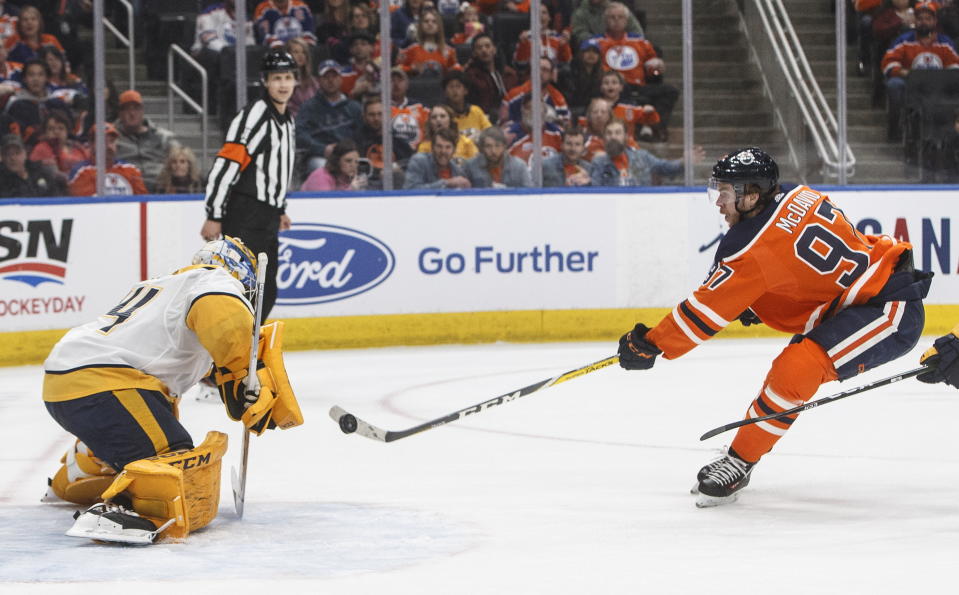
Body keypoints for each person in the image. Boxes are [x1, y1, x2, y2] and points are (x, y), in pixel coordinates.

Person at [615, 147, 933, 507]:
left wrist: (652, 344)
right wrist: (755, 300)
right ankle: (744, 450)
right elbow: (804, 274)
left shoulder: (750, 248)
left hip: (889, 312)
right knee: (788, 360)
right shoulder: (799, 194)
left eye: (726, 192)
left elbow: (702, 314)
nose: (718, 201)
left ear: (751, 196)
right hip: (865, 295)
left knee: (795, 370)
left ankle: (740, 460)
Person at [43, 236, 303, 544]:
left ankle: (89, 464)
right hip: (104, 381)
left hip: (74, 381)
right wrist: (242, 376)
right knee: (175, 465)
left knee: (164, 436)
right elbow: (222, 316)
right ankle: (122, 511)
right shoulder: (214, 280)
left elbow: (159, 385)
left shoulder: (167, 285)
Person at [201, 49, 297, 319]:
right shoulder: (256, 116)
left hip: (266, 214)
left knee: (266, 291)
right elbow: (227, 164)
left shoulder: (287, 119)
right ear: (265, 81)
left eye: (288, 77)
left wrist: (279, 208)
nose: (283, 84)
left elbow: (277, 171)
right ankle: (230, 355)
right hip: (245, 213)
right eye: (277, 77)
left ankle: (242, 354)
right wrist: (214, 214)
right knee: (245, 290)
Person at [881, 2, 959, 140]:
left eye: (928, 19)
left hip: (938, 88)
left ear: (935, 21)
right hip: (911, 85)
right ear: (914, 21)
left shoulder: (945, 43)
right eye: (920, 19)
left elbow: (955, 67)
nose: (924, 22)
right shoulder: (903, 41)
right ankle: (895, 130)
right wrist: (905, 73)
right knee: (894, 84)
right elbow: (888, 63)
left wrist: (944, 78)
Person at [295, 60, 362, 173]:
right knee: (321, 167)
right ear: (319, 81)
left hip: (350, 155)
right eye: (326, 77)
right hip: (321, 157)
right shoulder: (308, 107)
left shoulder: (354, 107)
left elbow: (361, 135)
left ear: (341, 79)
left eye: (334, 76)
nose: (331, 81)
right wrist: (322, 149)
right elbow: (300, 134)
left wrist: (349, 151)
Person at [589, 118, 698, 185]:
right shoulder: (598, 162)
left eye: (617, 133)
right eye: (609, 133)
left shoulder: (642, 157)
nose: (613, 136)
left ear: (626, 136)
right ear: (604, 138)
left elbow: (664, 167)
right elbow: (595, 193)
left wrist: (683, 162)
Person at [113, 89, 179, 192]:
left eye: (136, 109)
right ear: (120, 113)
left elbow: (182, 158)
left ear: (142, 111)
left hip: (160, 188)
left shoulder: (162, 137)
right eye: (127, 109)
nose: (132, 113)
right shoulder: (112, 137)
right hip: (126, 189)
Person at [68, 122, 148, 196]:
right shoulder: (82, 172)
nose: (109, 146)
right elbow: (82, 206)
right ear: (91, 144)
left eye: (112, 141)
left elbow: (144, 202)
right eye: (103, 142)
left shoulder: (131, 170)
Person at [463, 33, 518, 123]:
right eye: (479, 48)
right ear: (474, 53)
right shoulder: (471, 76)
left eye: (487, 46)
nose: (484, 50)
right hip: (482, 118)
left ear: (494, 50)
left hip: (510, 117)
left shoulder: (509, 73)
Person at [403, 127, 471, 189]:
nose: (443, 151)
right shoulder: (419, 161)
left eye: (448, 147)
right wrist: (446, 182)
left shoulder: (457, 170)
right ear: (432, 147)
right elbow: (410, 189)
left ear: (454, 150)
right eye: (439, 146)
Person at [396, 8, 458, 76]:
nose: (430, 24)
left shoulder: (449, 50)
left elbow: (456, 71)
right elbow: (398, 69)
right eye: (426, 21)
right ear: (421, 25)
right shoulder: (411, 49)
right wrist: (411, 68)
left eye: (434, 21)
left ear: (439, 26)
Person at [0, 132, 64, 197]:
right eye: (8, 154)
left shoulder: (40, 172)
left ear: (25, 153)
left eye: (17, 153)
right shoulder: (2, 181)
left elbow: (55, 197)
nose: (13, 158)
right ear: (2, 157)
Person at [465, 125, 532, 188]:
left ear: (504, 146)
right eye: (488, 146)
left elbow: (529, 193)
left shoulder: (519, 166)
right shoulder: (470, 166)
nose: (493, 151)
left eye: (497, 146)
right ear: (482, 148)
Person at [29, 109, 88, 176]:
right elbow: (54, 175)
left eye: (61, 128)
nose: (56, 132)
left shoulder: (78, 147)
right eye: (51, 129)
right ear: (45, 133)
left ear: (67, 131)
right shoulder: (41, 149)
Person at [442, 70, 491, 142]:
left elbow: (490, 133)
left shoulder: (476, 111)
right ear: (445, 92)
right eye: (451, 86)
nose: (455, 90)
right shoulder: (441, 114)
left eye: (458, 86)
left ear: (465, 91)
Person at [300, 139, 368, 191]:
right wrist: (351, 190)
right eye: (348, 161)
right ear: (337, 161)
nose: (353, 165)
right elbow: (326, 206)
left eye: (356, 162)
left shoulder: (348, 178)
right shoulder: (321, 176)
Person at [570, 0, 642, 48]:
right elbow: (580, 36)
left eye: (620, 17)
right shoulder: (579, 14)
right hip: (594, 54)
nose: (616, 19)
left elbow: (638, 34)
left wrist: (621, 44)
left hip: (624, 50)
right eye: (612, 17)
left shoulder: (618, 10)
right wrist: (605, 44)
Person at [285, 36, 319, 118]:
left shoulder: (313, 82)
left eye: (303, 52)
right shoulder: (283, 81)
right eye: (296, 52)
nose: (300, 55)